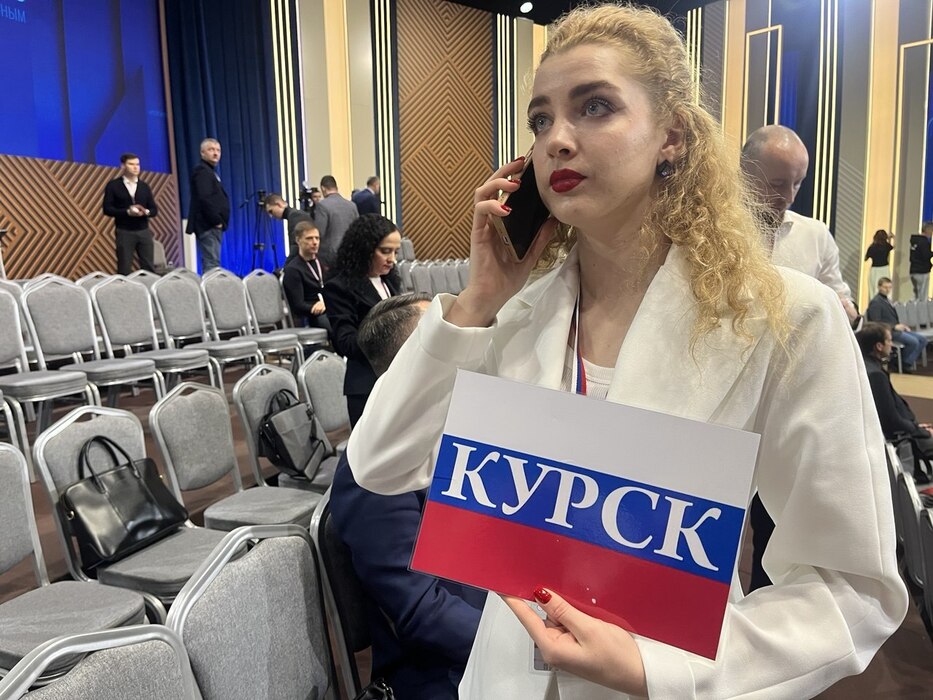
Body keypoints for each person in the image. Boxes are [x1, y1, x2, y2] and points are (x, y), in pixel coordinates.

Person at [347, 5, 907, 699]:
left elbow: (851, 587)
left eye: (595, 107)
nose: (557, 140)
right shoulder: (515, 317)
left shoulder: (783, 317)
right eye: (540, 120)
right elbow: (381, 464)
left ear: (672, 135)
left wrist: (660, 671)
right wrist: (475, 302)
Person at [330, 292, 484, 700]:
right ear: (412, 367)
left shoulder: (468, 429)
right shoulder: (372, 471)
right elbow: (423, 613)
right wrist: (523, 645)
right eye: (449, 341)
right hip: (445, 672)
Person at [741, 125, 851, 300]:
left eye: (797, 183)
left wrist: (849, 310)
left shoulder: (817, 236)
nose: (789, 197)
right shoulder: (713, 232)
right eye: (777, 185)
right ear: (745, 174)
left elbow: (839, 301)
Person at [322, 214, 401, 427]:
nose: (392, 259)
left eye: (395, 252)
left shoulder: (389, 282)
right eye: (385, 251)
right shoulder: (339, 287)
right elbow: (345, 343)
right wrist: (395, 328)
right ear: (364, 249)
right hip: (367, 385)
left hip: (395, 378)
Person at [857, 322, 933, 482]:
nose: (891, 344)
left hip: (905, 429)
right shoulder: (876, 375)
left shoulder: (867, 367)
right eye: (889, 340)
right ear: (879, 346)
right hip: (902, 436)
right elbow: (891, 420)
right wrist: (920, 431)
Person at [102, 153, 158, 275]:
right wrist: (127, 212)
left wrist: (145, 212)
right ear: (123, 166)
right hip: (124, 231)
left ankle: (148, 286)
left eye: (137, 164)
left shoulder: (144, 186)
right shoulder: (113, 185)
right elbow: (107, 209)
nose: (135, 167)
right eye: (131, 164)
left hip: (144, 231)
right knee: (124, 267)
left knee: (148, 266)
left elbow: (154, 210)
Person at [185, 138, 230, 272]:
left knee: (213, 261)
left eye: (218, 150)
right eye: (211, 150)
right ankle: (211, 286)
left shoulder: (209, 171)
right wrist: (216, 220)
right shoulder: (202, 171)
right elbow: (204, 198)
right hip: (208, 225)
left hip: (212, 225)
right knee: (212, 263)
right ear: (202, 153)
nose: (215, 153)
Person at [867, 276, 928, 372]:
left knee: (923, 340)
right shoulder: (876, 302)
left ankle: (903, 362)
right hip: (888, 332)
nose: (888, 290)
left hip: (895, 329)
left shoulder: (886, 300)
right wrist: (894, 326)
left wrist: (902, 326)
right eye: (885, 287)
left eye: (889, 287)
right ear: (879, 287)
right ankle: (903, 364)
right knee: (914, 342)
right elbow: (876, 322)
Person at [282, 221, 330, 332]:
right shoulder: (293, 270)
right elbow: (298, 305)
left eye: (317, 238)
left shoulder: (324, 262)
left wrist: (328, 303)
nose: (315, 242)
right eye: (309, 238)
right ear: (298, 240)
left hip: (330, 307)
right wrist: (317, 307)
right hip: (314, 314)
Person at [315, 175, 359, 267]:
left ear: (323, 188)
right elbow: (357, 229)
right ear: (336, 187)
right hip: (349, 252)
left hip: (329, 256)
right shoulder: (352, 205)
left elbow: (319, 232)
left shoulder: (322, 205)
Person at [263, 192, 313, 260]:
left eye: (271, 211)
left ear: (279, 204)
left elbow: (296, 245)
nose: (271, 216)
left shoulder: (295, 216)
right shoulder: (294, 215)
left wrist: (288, 264)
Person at [909, 221, 933, 300]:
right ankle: (921, 308)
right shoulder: (924, 242)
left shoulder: (915, 241)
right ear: (928, 230)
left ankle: (914, 307)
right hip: (922, 271)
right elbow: (926, 255)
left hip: (913, 271)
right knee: (923, 296)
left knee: (916, 295)